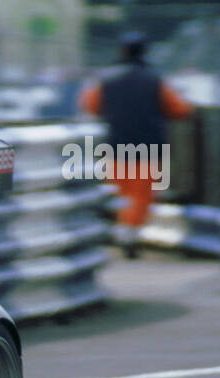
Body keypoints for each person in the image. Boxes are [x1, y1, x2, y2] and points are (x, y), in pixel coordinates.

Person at [78, 31, 193, 258]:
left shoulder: (105, 80)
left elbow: (90, 105)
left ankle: (123, 232)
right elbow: (180, 109)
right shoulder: (155, 80)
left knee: (121, 193)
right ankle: (128, 234)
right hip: (148, 147)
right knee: (141, 195)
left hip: (115, 146)